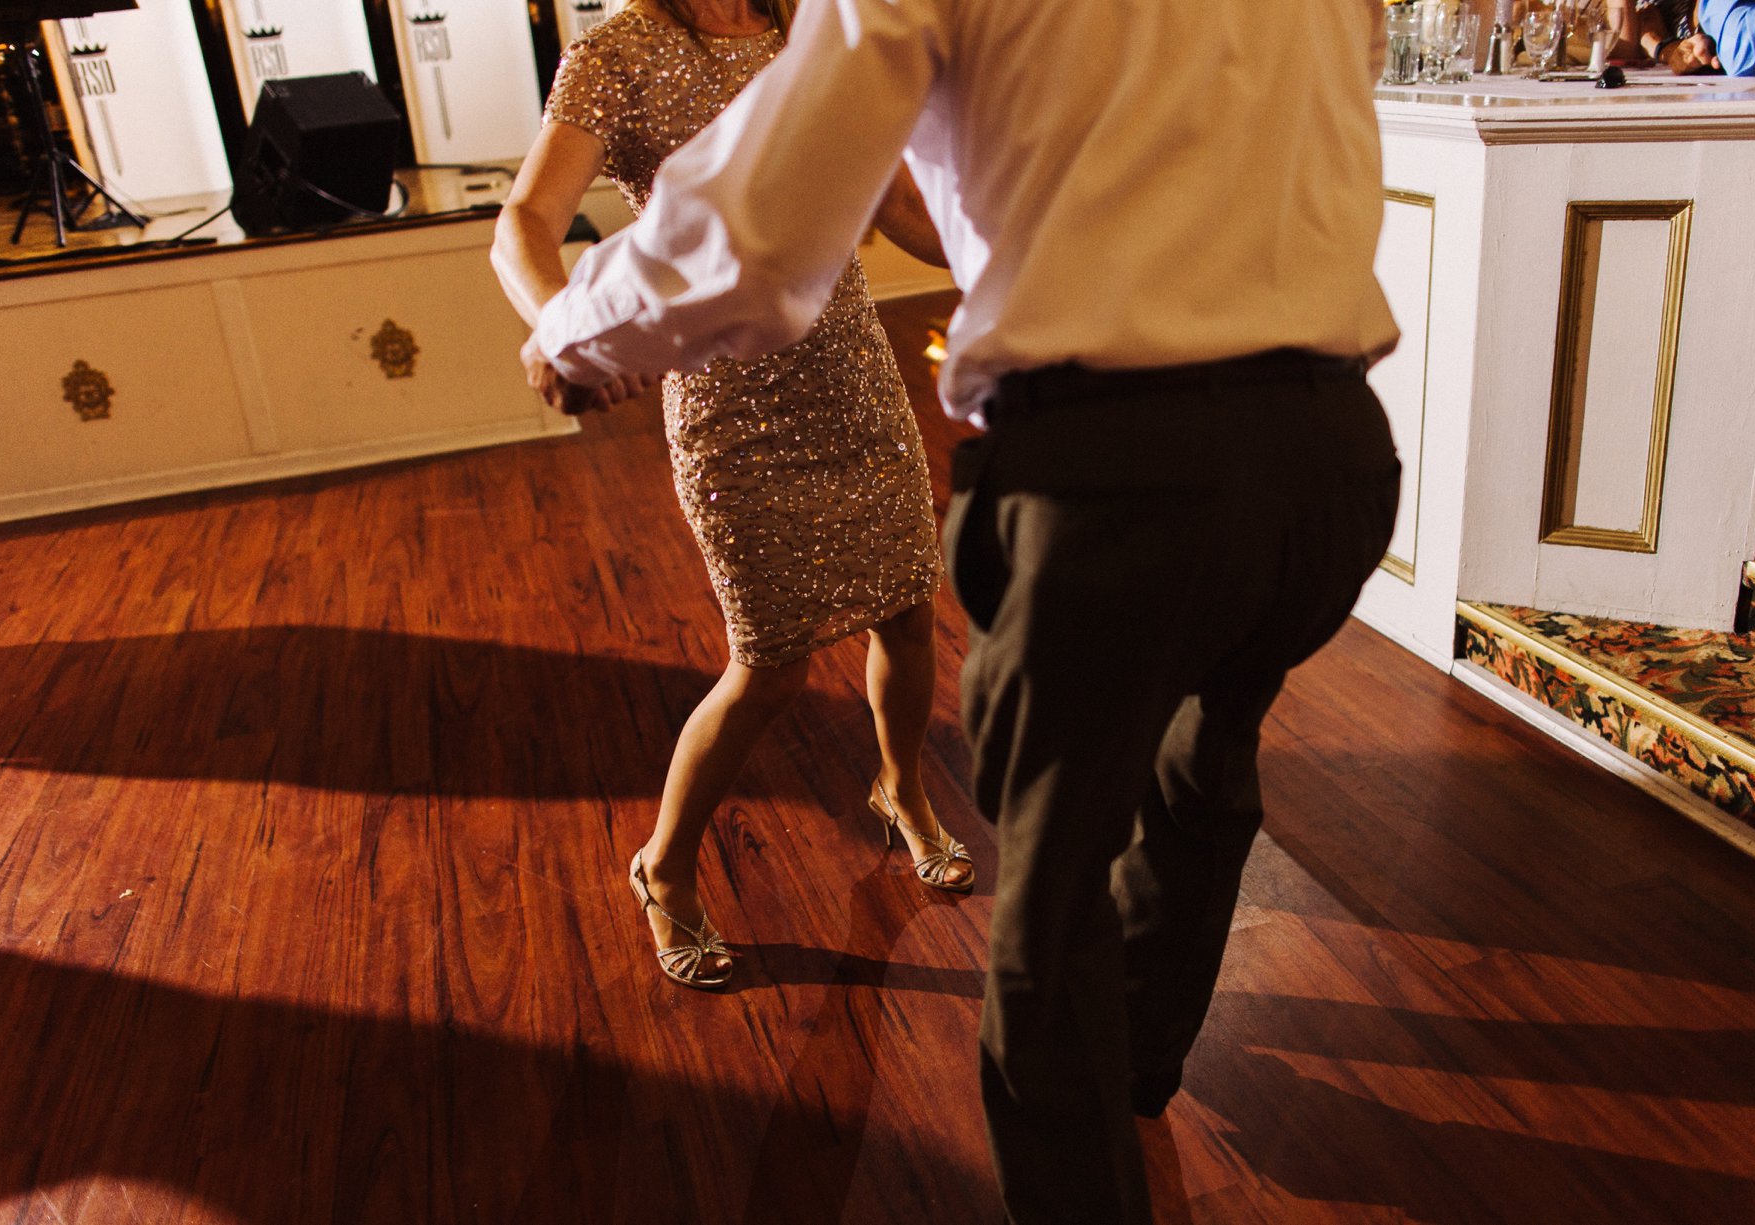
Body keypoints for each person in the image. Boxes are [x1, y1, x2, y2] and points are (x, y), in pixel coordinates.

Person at [522, 0, 1403, 1219]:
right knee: (1205, 766)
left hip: (1119, 481)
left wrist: (575, 334)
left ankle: (1096, 1133)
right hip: (1333, 457)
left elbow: (756, 231)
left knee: (1052, 903)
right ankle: (1140, 1071)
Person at [491, 0, 974, 992]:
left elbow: (890, 200)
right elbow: (524, 224)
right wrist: (566, 327)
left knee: (907, 613)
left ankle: (903, 793)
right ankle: (663, 866)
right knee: (770, 665)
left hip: (852, 375)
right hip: (730, 410)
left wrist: (998, 255)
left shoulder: (812, 28)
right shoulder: (614, 57)